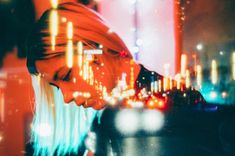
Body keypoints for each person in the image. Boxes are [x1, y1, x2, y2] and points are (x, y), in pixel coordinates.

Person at [26, 1, 205, 156]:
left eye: (66, 75)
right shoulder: (105, 116)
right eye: (57, 87)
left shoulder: (177, 104)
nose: (66, 97)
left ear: (93, 50)